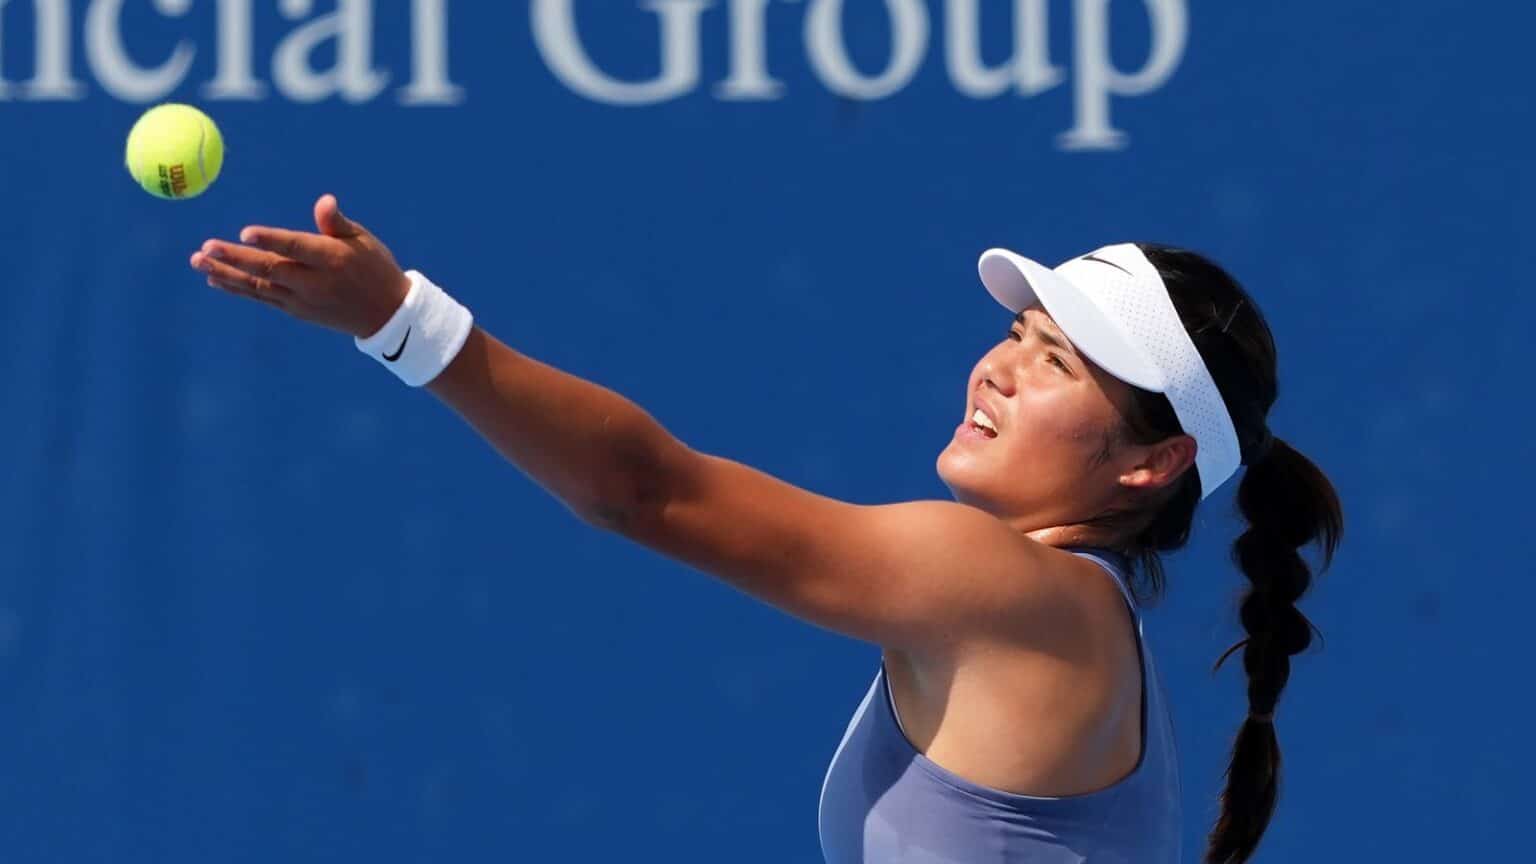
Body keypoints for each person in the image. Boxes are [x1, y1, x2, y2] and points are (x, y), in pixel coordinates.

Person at [189, 194, 1343, 864]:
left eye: (1056, 364)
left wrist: (401, 320)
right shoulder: (1071, 616)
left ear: (1153, 462)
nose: (999, 368)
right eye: (1017, 335)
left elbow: (644, 491)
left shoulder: (1010, 589)